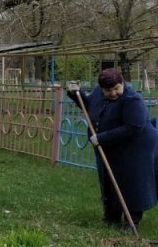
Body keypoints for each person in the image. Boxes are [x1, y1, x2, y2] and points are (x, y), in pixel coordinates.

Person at [67, 69, 158, 227]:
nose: (114, 93)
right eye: (109, 90)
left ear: (122, 83)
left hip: (136, 147)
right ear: (101, 88)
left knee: (132, 182)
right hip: (112, 144)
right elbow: (90, 107)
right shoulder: (98, 93)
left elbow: (134, 127)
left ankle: (132, 222)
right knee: (109, 179)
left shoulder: (132, 100)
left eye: (117, 88)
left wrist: (101, 138)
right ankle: (112, 217)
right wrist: (76, 94)